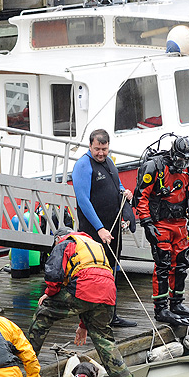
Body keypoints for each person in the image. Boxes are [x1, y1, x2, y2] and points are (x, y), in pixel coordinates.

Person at [26, 227, 135, 377]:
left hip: (86, 288)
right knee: (103, 337)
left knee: (43, 313)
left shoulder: (64, 244)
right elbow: (93, 282)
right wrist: (84, 325)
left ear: (58, 239)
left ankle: (28, 359)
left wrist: (48, 294)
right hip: (109, 291)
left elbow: (54, 275)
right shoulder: (94, 244)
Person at [134, 134, 189, 323]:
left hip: (180, 223)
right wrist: (146, 223)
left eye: (185, 161)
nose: (181, 165)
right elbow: (141, 197)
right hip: (161, 223)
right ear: (173, 154)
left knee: (180, 264)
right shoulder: (155, 167)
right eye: (179, 160)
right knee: (163, 265)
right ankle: (161, 308)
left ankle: (177, 302)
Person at [72, 129, 137, 328]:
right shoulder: (83, 165)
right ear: (90, 146)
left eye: (104, 149)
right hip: (94, 230)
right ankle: (91, 319)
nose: (101, 153)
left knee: (112, 270)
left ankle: (111, 315)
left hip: (113, 226)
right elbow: (83, 200)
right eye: (97, 149)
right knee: (95, 273)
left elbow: (115, 184)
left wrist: (124, 192)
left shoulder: (109, 162)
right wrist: (99, 228)